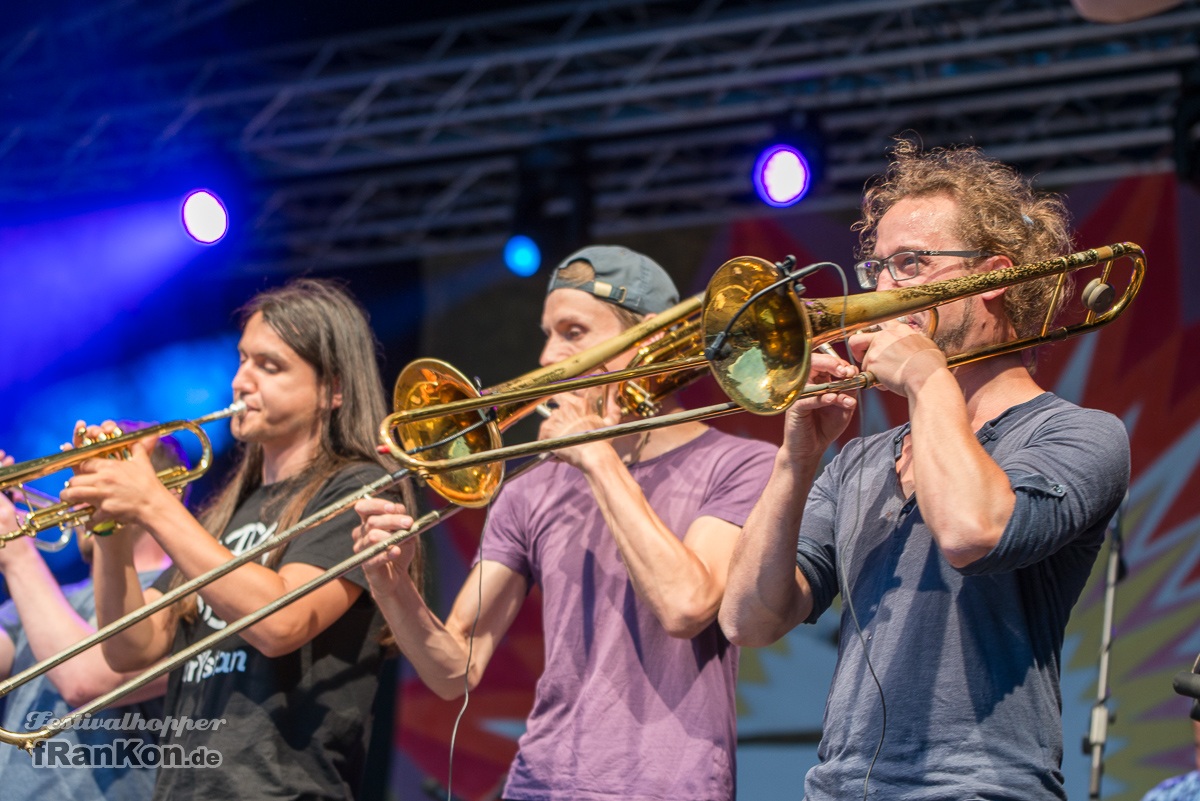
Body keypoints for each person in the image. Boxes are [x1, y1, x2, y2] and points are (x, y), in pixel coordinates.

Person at [718, 140, 1131, 800]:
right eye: (877, 267)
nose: (882, 293)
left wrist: (924, 374)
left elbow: (972, 530)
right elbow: (749, 620)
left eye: (910, 264)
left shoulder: (1079, 434)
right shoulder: (857, 462)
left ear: (993, 277)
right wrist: (795, 461)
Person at [354, 245, 777, 800]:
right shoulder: (529, 490)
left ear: (645, 342)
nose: (549, 354)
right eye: (548, 333)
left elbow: (686, 605)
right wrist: (392, 587)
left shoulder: (741, 464)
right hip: (541, 784)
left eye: (573, 332)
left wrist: (599, 459)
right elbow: (455, 669)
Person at [61, 278, 417, 801]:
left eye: (269, 366)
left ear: (333, 389)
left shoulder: (361, 487)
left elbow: (279, 622)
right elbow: (131, 647)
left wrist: (153, 503)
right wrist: (110, 531)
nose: (240, 380)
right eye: (242, 359)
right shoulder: (222, 514)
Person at [0, 435, 182, 800]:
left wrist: (16, 554)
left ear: (167, 489)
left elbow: (86, 680)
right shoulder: (53, 597)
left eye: (99, 476)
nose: (76, 496)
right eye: (78, 479)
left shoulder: (188, 589)